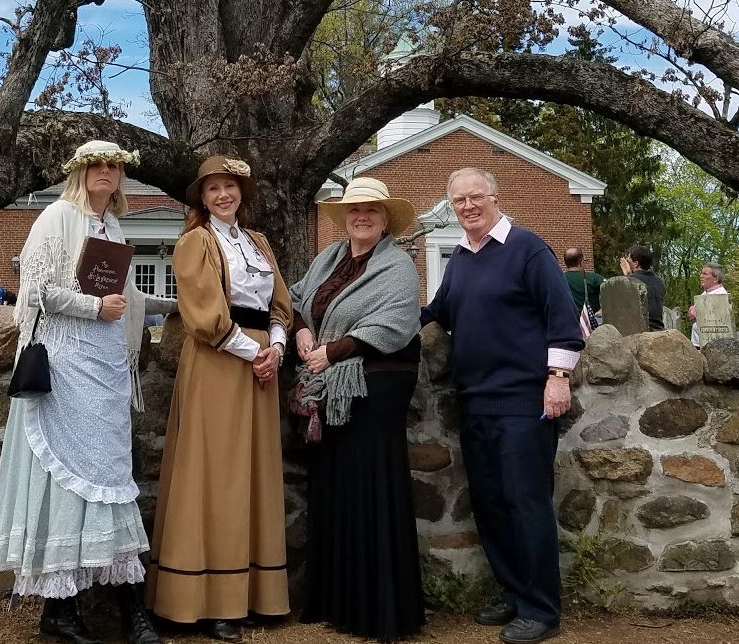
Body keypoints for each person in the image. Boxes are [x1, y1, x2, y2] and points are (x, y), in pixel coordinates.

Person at [0, 140, 172, 644]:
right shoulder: (56, 217)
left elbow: (126, 298)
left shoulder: (114, 226)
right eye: (98, 165)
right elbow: (36, 290)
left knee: (110, 477)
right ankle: (61, 613)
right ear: (81, 172)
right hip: (66, 368)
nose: (106, 172)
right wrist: (93, 309)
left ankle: (122, 608)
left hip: (107, 370)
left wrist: (180, 308)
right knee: (67, 480)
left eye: (114, 166)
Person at [421, 168, 583, 644]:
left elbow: (562, 317)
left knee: (524, 502)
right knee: (491, 505)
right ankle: (514, 593)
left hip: (522, 401)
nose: (467, 207)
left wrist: (557, 379)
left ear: (495, 197)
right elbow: (437, 313)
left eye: (476, 197)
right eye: (458, 201)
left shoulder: (528, 248)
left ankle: (541, 609)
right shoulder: (462, 261)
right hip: (474, 399)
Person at [147, 155, 292, 642]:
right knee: (215, 473)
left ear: (241, 194)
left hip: (258, 367)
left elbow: (280, 306)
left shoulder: (259, 243)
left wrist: (275, 347)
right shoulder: (195, 244)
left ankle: (251, 594)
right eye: (213, 189)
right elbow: (204, 317)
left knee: (253, 472)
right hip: (217, 361)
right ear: (202, 198)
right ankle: (205, 600)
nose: (223, 195)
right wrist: (255, 352)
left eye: (230, 187)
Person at [290, 177, 424, 641]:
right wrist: (301, 331)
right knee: (334, 488)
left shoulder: (398, 266)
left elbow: (396, 323)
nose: (361, 217)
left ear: (386, 219)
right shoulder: (329, 259)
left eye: (371, 210)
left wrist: (334, 351)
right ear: (343, 219)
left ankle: (379, 609)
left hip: (375, 388)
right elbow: (298, 298)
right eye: (354, 211)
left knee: (371, 489)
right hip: (332, 390)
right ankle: (338, 601)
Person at [619, 245, 666, 331]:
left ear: (636, 263)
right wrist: (629, 276)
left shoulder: (630, 281)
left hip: (640, 331)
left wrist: (627, 277)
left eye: (628, 260)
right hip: (658, 328)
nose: (627, 261)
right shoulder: (660, 281)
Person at [689, 262, 729, 347]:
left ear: (715, 279)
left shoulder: (720, 295)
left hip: (710, 345)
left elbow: (717, 320)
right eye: (701, 273)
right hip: (699, 341)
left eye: (705, 274)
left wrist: (697, 312)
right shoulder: (706, 293)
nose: (701, 276)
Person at [562, 248, 603, 328]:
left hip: (568, 325)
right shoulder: (593, 278)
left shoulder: (559, 279)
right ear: (582, 262)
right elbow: (611, 288)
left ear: (565, 263)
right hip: (590, 326)